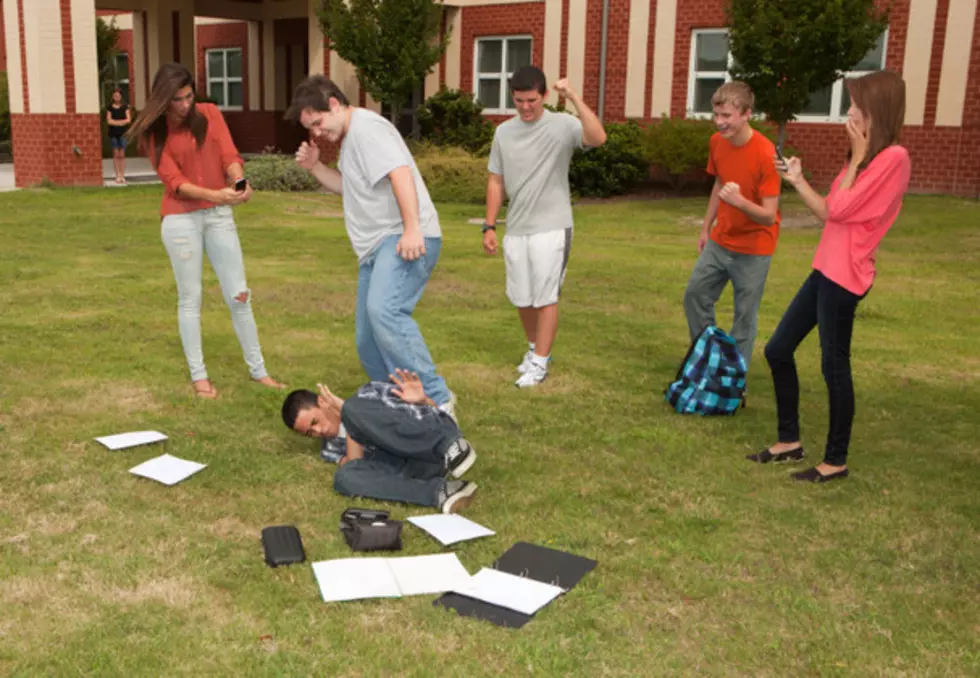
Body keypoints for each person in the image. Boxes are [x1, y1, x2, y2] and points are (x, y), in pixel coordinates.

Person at [749, 71, 911, 482]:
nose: (850, 112)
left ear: (878, 111)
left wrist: (856, 159)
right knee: (779, 349)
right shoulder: (863, 158)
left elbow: (841, 209)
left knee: (833, 366)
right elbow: (827, 211)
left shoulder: (893, 159)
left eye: (857, 106)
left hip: (847, 276)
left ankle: (835, 460)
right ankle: (790, 441)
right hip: (825, 268)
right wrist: (798, 180)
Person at [286, 76, 456, 417]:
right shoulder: (352, 140)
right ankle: (397, 406)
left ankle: (438, 402)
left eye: (318, 123)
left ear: (334, 104)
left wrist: (411, 229)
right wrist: (315, 166)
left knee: (385, 312)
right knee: (368, 340)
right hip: (375, 251)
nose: (317, 133)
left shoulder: (368, 130)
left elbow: (400, 174)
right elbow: (350, 187)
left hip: (400, 238)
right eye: (311, 128)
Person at [127, 63, 283, 399]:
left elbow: (229, 153)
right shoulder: (153, 135)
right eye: (177, 100)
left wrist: (239, 184)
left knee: (239, 294)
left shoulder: (210, 113)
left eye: (188, 96)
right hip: (181, 219)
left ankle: (260, 372)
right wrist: (216, 195)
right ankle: (200, 377)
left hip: (219, 216)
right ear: (163, 101)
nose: (185, 105)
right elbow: (176, 183)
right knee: (190, 298)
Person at [483, 66, 607, 388]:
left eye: (532, 101)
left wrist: (574, 97)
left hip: (552, 226)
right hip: (517, 227)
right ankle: (533, 350)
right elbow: (496, 180)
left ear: (545, 96)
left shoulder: (562, 125)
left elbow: (598, 137)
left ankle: (540, 362)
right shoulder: (503, 133)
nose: (525, 107)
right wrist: (489, 225)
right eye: (519, 100)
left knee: (545, 296)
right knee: (522, 297)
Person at [682, 81, 781, 390]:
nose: (720, 122)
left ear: (747, 114)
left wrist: (739, 202)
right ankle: (709, 358)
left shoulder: (766, 154)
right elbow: (719, 185)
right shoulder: (717, 142)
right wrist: (705, 226)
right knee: (695, 296)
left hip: (754, 249)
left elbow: (769, 215)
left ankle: (732, 381)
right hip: (721, 240)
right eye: (716, 114)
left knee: (744, 317)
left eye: (727, 115)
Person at [281, 369, 478, 513]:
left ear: (322, 402)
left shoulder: (367, 394)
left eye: (315, 422)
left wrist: (424, 401)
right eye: (310, 433)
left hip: (434, 446)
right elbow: (359, 465)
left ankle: (453, 449)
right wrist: (351, 424)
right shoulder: (329, 449)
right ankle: (440, 492)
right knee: (345, 477)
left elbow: (429, 416)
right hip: (410, 467)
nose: (318, 431)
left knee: (353, 409)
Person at [106, 89, 131, 184]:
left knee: (122, 155)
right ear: (113, 97)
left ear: (121, 97)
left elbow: (128, 119)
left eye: (118, 95)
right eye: (115, 95)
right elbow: (109, 121)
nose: (116, 97)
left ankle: (122, 176)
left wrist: (116, 122)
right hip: (113, 134)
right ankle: (117, 176)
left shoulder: (125, 107)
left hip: (123, 134)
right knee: (116, 155)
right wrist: (120, 123)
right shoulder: (110, 108)